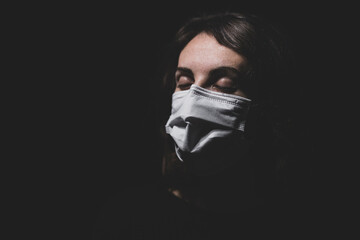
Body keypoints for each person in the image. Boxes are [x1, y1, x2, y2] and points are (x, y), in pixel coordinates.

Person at [93, 11, 314, 239]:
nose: (191, 105)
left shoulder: (300, 224)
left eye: (224, 85)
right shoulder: (128, 219)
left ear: (268, 104)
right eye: (185, 82)